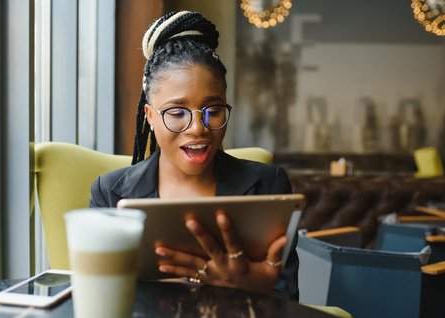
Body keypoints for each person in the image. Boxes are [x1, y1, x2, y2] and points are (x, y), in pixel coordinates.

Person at [89, 11, 298, 300]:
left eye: (213, 111)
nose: (198, 128)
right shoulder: (109, 194)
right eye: (176, 113)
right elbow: (100, 297)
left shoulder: (269, 185)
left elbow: (288, 303)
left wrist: (253, 289)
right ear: (149, 116)